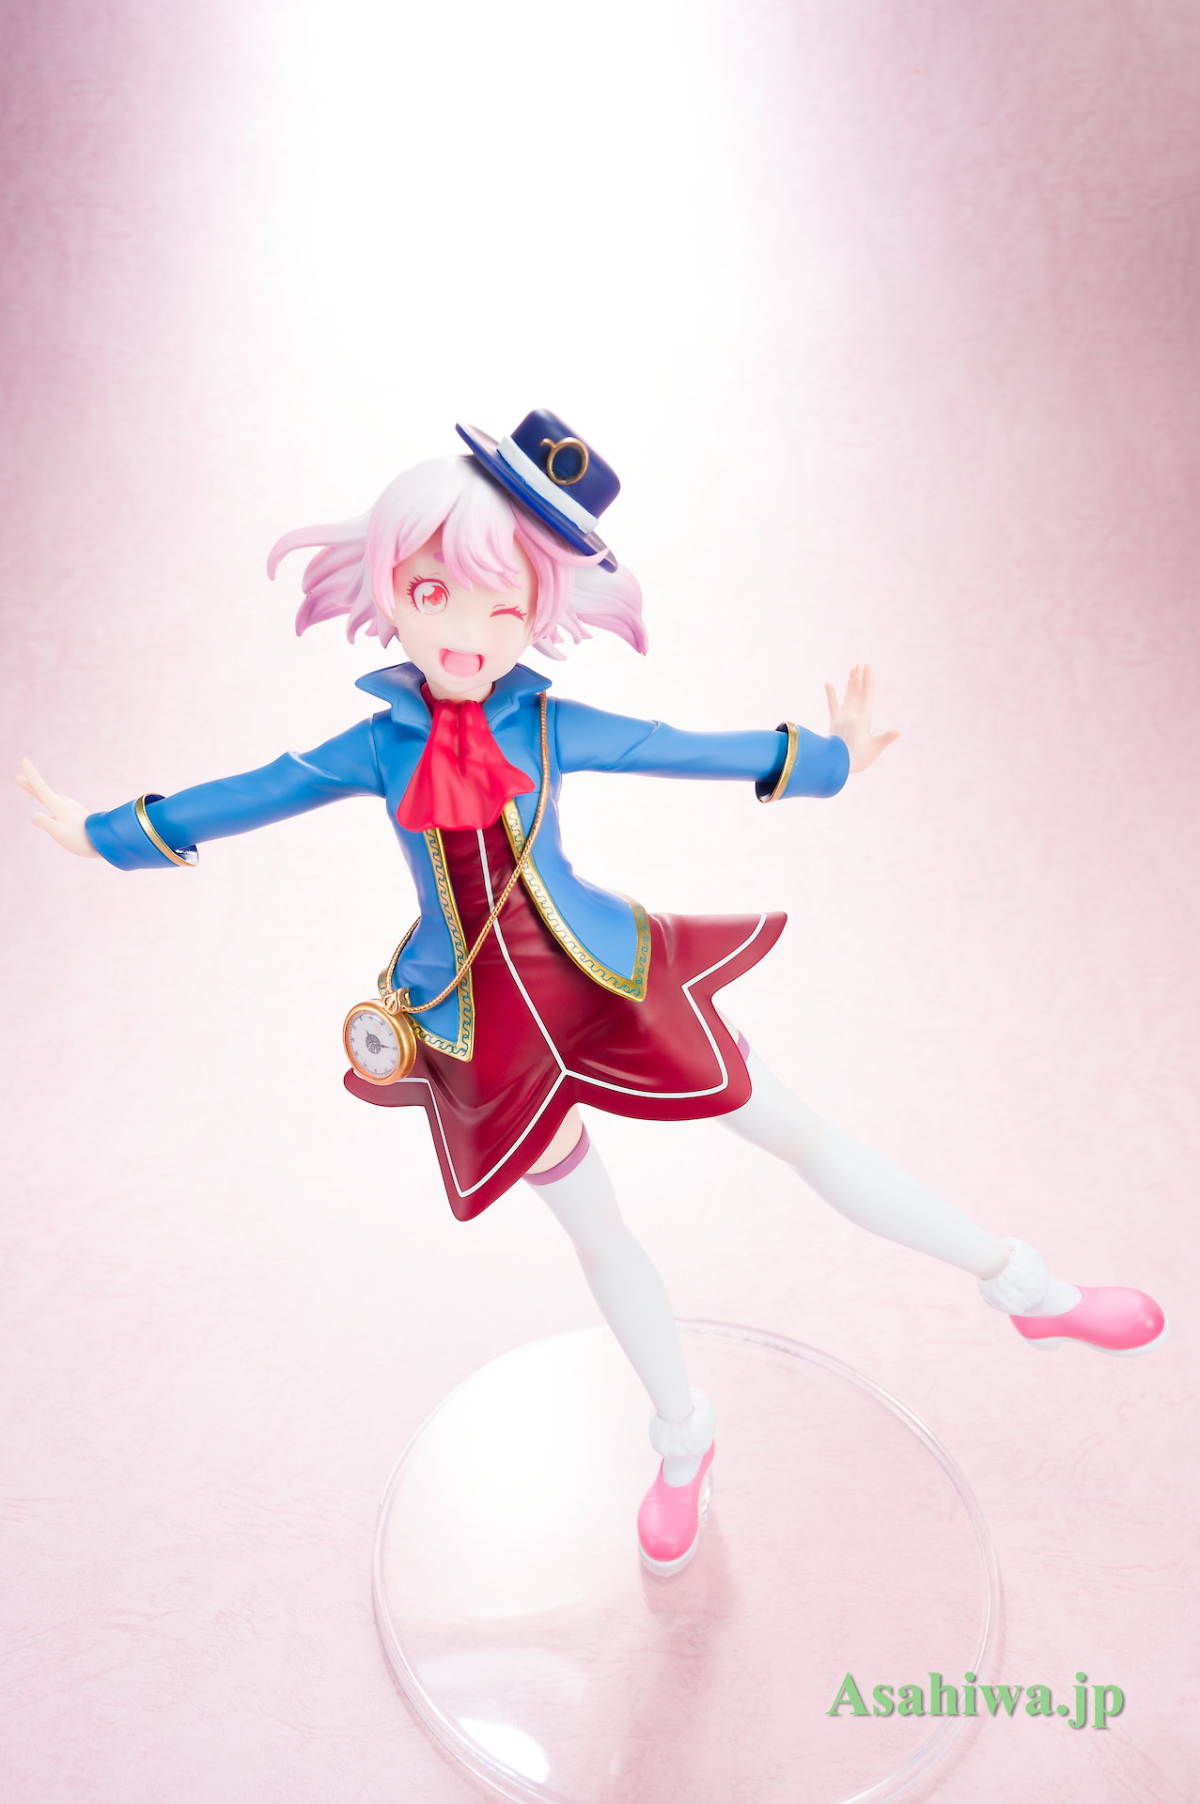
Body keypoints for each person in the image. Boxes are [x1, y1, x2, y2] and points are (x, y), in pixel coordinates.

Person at [17, 408, 1167, 1578]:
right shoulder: (375, 746)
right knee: (599, 1232)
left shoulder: (552, 725)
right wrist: (104, 832)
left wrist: (826, 760)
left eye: (503, 607)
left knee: (800, 1133)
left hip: (610, 984)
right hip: (487, 1033)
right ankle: (685, 1441)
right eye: (432, 593)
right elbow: (251, 790)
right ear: (390, 589)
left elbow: (688, 745)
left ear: (541, 612)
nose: (464, 632)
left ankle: (1025, 1283)